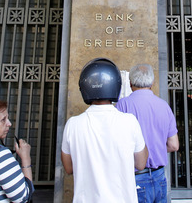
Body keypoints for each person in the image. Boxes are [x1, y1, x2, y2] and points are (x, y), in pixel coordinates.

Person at [61, 58, 148, 202]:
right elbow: (140, 164)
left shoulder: (73, 125)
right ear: (116, 84)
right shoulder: (130, 121)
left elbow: (69, 168)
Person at [115, 64, 179, 203]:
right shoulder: (164, 106)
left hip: (136, 177)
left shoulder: (122, 105)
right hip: (160, 177)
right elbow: (174, 145)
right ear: (152, 83)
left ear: (130, 83)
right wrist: (155, 149)